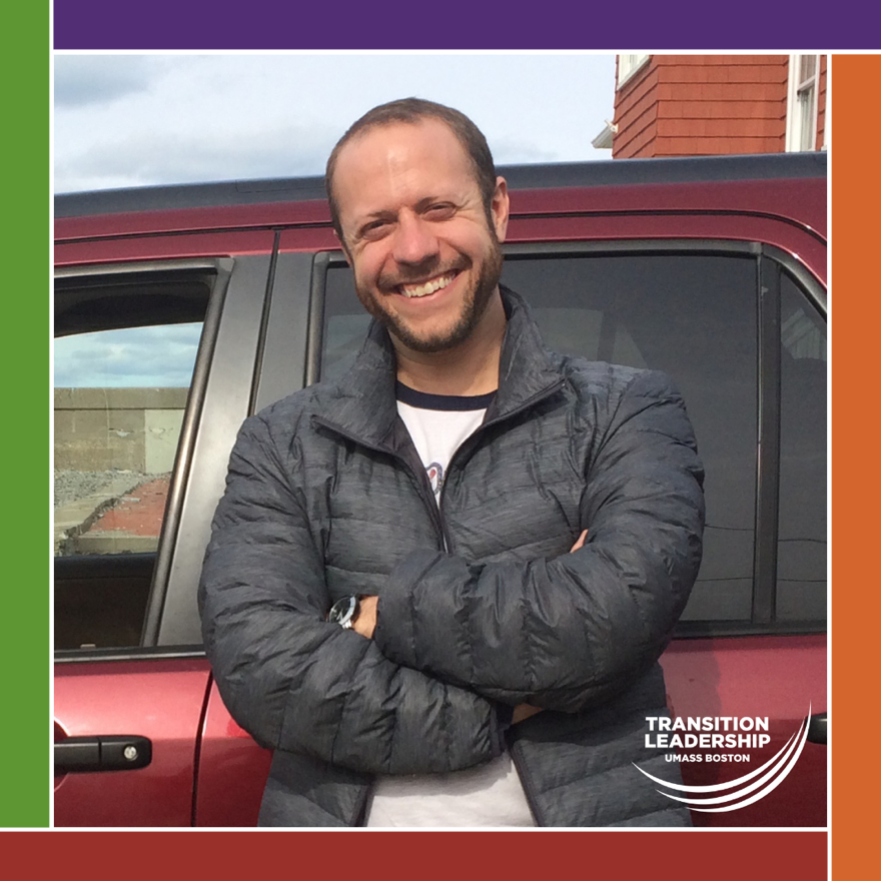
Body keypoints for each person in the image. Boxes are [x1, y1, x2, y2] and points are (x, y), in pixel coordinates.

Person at [198, 98, 705, 827]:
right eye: (377, 226)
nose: (412, 249)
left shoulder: (622, 411)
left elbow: (612, 615)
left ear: (497, 208)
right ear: (346, 247)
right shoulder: (284, 443)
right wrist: (500, 708)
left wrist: (374, 614)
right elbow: (261, 669)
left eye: (438, 209)